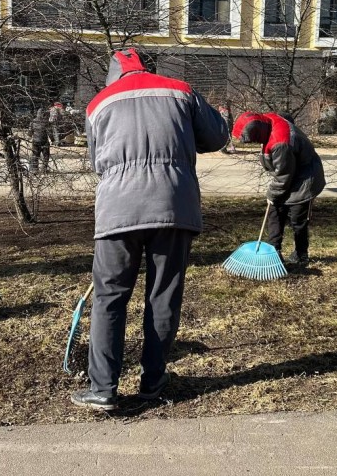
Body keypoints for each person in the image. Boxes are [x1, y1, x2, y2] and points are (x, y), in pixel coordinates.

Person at [71, 47, 229, 411]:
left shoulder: (98, 104)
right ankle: (153, 380)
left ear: (113, 75)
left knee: (109, 298)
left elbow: (98, 161)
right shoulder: (181, 90)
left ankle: (102, 389)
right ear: (147, 67)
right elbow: (217, 137)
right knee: (163, 295)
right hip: (173, 206)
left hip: (117, 211)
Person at [232, 111, 326, 270]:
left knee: (298, 219)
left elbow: (284, 175)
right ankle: (274, 252)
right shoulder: (268, 122)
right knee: (275, 212)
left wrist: (272, 194)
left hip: (305, 180)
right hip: (291, 174)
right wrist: (274, 195)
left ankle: (301, 255)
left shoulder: (280, 142)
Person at [30, 106, 50, 173]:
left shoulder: (33, 122)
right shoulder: (46, 122)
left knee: (35, 155)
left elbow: (30, 133)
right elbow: (50, 132)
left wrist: (30, 137)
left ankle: (34, 170)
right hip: (44, 141)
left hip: (35, 141)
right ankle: (44, 169)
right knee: (46, 156)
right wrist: (53, 140)